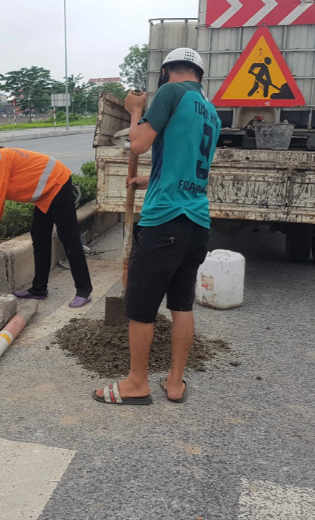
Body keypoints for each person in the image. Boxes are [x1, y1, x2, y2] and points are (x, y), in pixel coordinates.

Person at [93, 48, 220, 405]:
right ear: (199, 74)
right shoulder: (211, 112)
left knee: (141, 307)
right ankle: (175, 382)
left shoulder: (170, 92)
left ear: (166, 72)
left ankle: (137, 383)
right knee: (182, 305)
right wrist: (148, 180)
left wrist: (135, 111)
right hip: (197, 221)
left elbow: (138, 142)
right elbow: (188, 165)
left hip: (165, 220)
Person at [0, 141, 93, 308]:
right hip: (44, 193)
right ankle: (39, 289)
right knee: (39, 236)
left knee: (68, 236)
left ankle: (84, 290)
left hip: (57, 183)